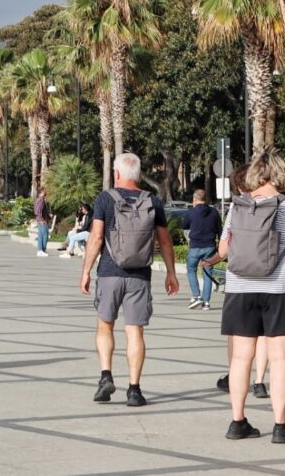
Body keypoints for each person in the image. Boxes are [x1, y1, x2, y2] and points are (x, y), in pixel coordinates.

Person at [202, 151, 285, 443]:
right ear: (277, 174)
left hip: (241, 288)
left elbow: (225, 250)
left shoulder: (238, 206)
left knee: (240, 358)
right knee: (280, 359)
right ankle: (280, 427)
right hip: (281, 289)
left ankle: (237, 421)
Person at [80, 153, 179, 406]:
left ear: (117, 174)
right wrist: (171, 273)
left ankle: (105, 376)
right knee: (135, 331)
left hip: (109, 273)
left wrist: (86, 271)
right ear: (138, 175)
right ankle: (134, 389)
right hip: (140, 276)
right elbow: (165, 240)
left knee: (105, 325)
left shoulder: (105, 199)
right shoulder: (152, 200)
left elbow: (96, 238)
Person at [214, 165, 271, 400]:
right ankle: (259, 382)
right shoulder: (275, 206)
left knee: (236, 334)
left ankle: (234, 376)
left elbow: (223, 249)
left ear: (239, 186)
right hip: (269, 281)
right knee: (265, 333)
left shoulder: (236, 210)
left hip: (240, 282)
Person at [183, 188, 222, 310]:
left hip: (195, 246)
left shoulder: (191, 212)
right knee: (207, 272)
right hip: (210, 247)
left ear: (194, 199)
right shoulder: (214, 212)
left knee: (191, 269)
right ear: (206, 200)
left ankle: (196, 296)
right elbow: (220, 230)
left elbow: (184, 225)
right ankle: (206, 302)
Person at [34, 188, 51, 257]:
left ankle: (40, 250)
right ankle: (42, 250)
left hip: (40, 220)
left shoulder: (39, 199)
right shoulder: (41, 200)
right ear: (41, 192)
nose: (46, 192)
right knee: (45, 235)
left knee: (41, 235)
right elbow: (38, 211)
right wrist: (42, 219)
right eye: (44, 191)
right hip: (42, 220)